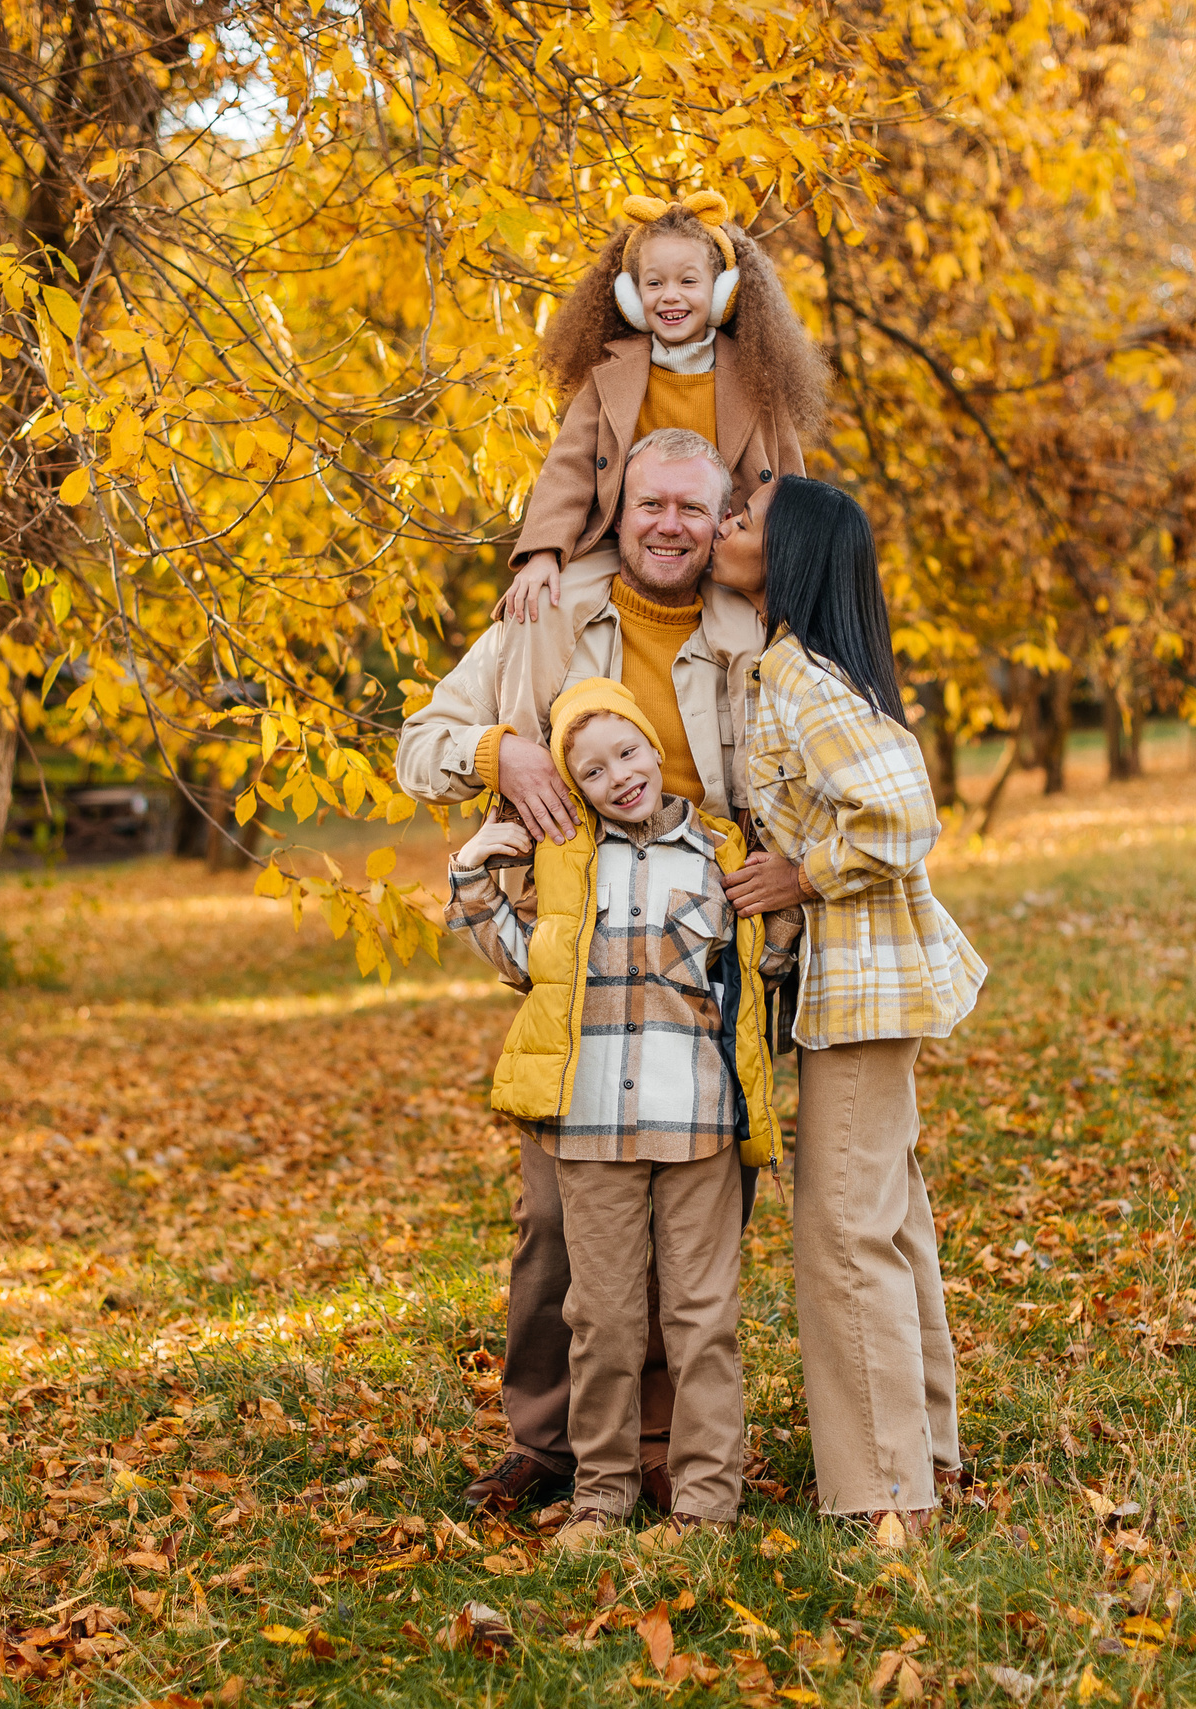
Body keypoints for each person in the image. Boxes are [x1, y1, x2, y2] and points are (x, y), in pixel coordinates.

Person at [395, 429, 757, 1516]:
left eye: (694, 509)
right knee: (561, 1226)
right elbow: (421, 741)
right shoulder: (543, 613)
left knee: (697, 1221)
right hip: (577, 964)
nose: (669, 524)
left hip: (704, 947)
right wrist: (495, 749)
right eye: (650, 502)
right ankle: (551, 1440)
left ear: (716, 519)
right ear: (618, 504)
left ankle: (670, 1452)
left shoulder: (747, 627)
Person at [444, 679, 800, 1544]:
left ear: (654, 749)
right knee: (600, 1316)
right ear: (576, 786)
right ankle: (603, 1494)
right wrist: (472, 872)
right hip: (593, 1126)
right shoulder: (567, 865)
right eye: (592, 769)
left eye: (628, 752)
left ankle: (707, 1500)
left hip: (700, 1124)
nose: (619, 777)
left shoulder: (718, 857)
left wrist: (786, 912)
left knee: (701, 1319)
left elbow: (764, 972)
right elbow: (528, 963)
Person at [715, 476, 988, 1541]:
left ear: (789, 553)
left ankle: (885, 1492)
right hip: (861, 980)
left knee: (840, 1230)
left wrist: (799, 875)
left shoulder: (800, 676)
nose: (728, 522)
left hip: (861, 982)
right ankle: (928, 1457)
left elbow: (905, 816)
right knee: (888, 1215)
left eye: (747, 514)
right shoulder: (803, 663)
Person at [488, 190, 825, 649]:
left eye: (688, 282)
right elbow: (568, 469)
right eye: (653, 284)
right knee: (544, 606)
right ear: (630, 295)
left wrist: (794, 574)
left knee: (752, 643)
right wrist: (543, 554)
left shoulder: (756, 377)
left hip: (722, 552)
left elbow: (789, 485)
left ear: (722, 291)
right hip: (625, 545)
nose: (670, 297)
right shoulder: (611, 376)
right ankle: (518, 721)